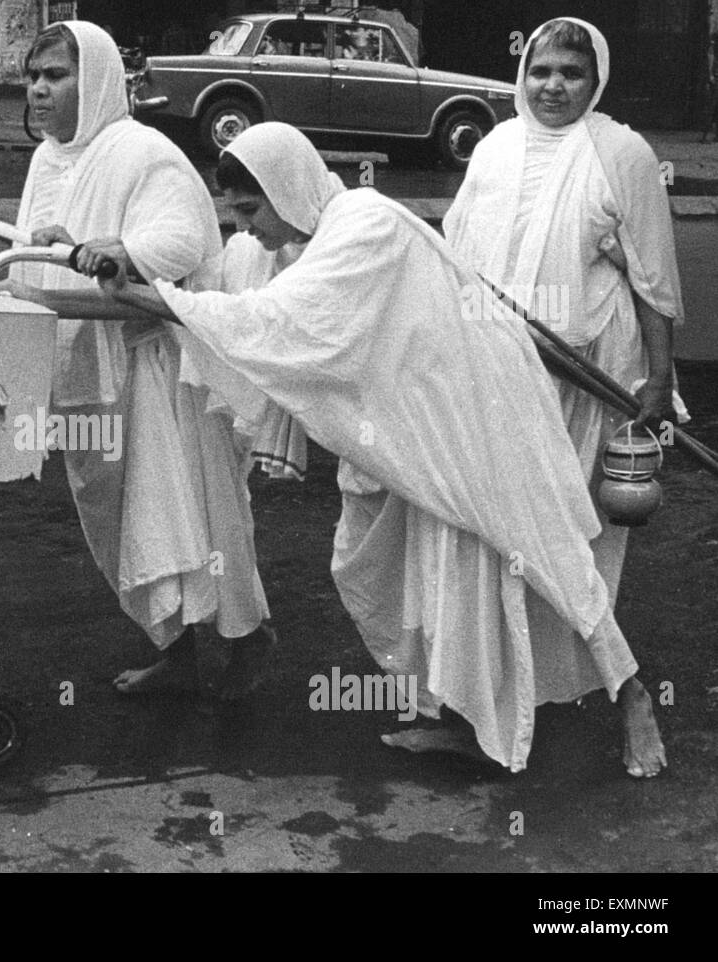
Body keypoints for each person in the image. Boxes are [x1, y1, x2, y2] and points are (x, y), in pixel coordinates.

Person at [88, 121, 666, 777]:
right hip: (415, 427)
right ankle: (461, 719)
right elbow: (240, 290)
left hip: (482, 415)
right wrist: (142, 276)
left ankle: (633, 695)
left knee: (542, 549)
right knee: (429, 569)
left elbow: (273, 321)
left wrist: (148, 295)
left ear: (283, 187)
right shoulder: (320, 234)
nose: (246, 228)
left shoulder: (360, 224)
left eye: (251, 210)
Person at [0, 21, 281, 698]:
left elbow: (183, 240)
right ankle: (176, 649)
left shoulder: (143, 152)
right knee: (121, 523)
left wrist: (119, 251)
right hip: (81, 363)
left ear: (93, 79)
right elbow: (42, 242)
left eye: (55, 75)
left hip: (157, 368)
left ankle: (246, 640)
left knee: (199, 516)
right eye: (34, 75)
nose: (39, 89)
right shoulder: (49, 155)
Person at [444, 17, 685, 777]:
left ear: (597, 81)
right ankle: (482, 712)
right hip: (496, 378)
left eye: (571, 75)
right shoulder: (494, 147)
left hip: (585, 383)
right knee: (487, 547)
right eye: (542, 70)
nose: (553, 86)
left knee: (562, 546)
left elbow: (652, 278)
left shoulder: (622, 154)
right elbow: (457, 260)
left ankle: (630, 693)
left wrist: (658, 378)